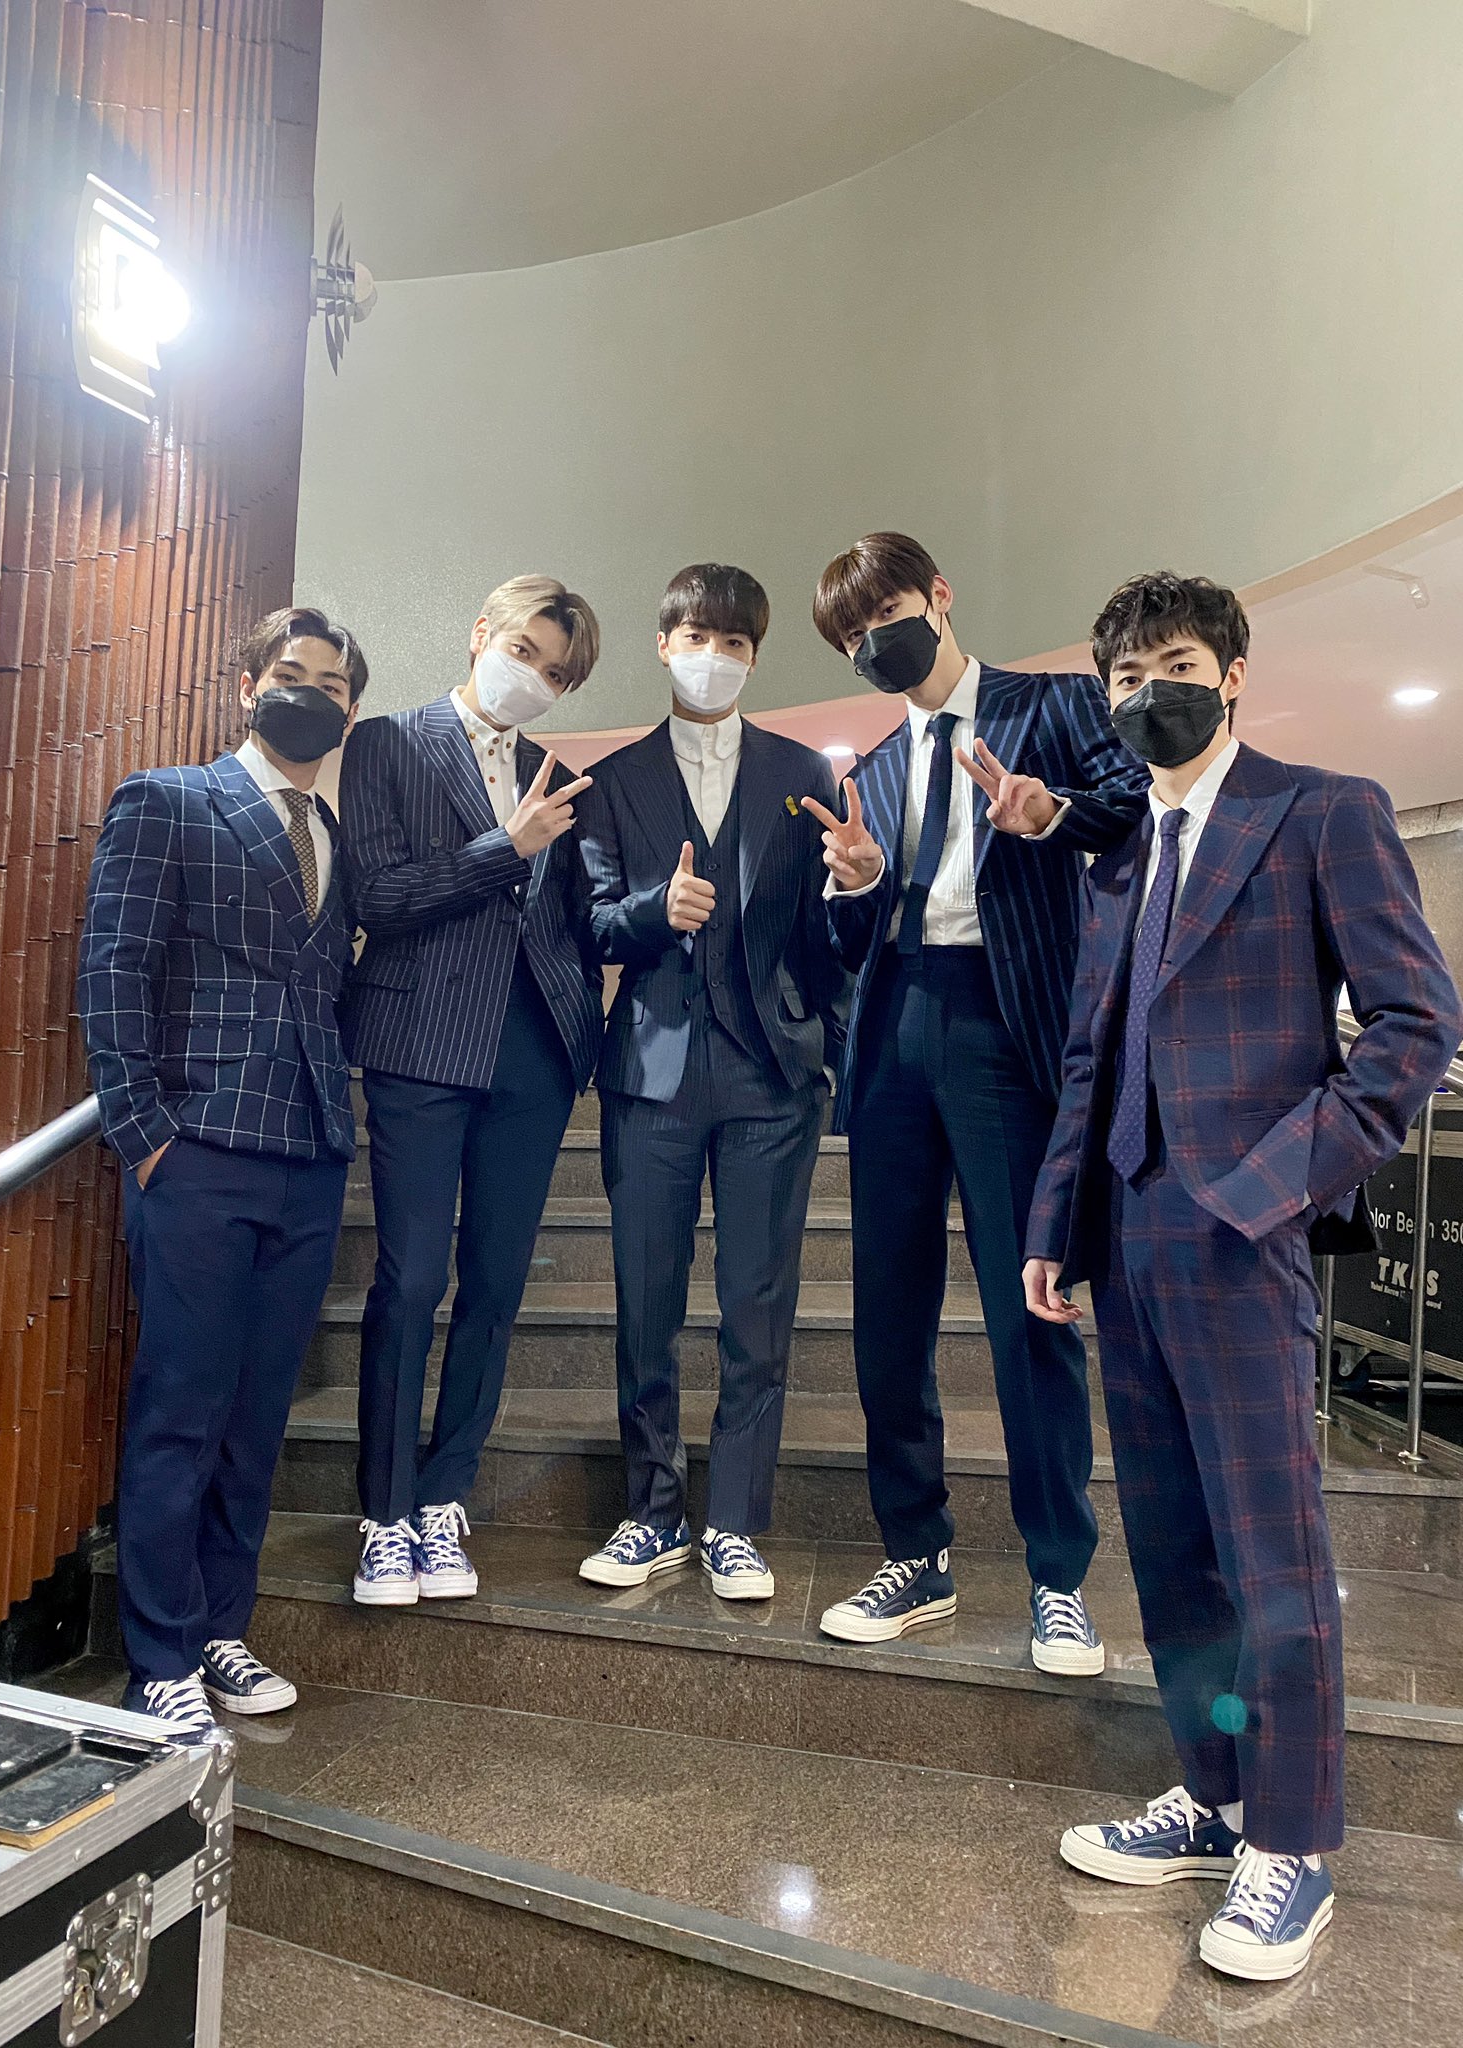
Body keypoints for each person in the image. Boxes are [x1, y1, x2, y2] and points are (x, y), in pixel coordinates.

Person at [1024, 571, 1462, 1981]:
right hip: (1129, 1235)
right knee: (1170, 1543)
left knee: (1273, 1550)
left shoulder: (1322, 812)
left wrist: (1270, 1189)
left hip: (1244, 1233)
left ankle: (1295, 1841)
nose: (1152, 690)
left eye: (1177, 663)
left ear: (1231, 676)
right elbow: (1091, 1060)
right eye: (1127, 675)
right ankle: (1214, 1794)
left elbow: (1414, 1027)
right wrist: (1054, 1221)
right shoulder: (1118, 860)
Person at [803, 532, 1150, 1657]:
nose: (873, 644)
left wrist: (1051, 815)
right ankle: (915, 1553)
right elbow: (854, 938)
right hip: (894, 1024)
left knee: (1027, 1305)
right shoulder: (871, 767)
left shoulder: (1053, 704)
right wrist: (855, 889)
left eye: (885, 616)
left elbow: (1137, 801)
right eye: (852, 638)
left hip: (1008, 1024)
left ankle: (1059, 1574)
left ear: (939, 596)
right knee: (888, 1309)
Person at [78, 605, 367, 1740]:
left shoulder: (335, 833)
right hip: (195, 1150)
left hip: (309, 1152)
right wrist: (144, 1132)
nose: (310, 694)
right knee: (182, 1409)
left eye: (332, 684)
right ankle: (158, 1656)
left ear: (350, 709)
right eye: (291, 673)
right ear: (248, 686)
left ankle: (218, 1630)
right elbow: (114, 968)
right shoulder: (170, 799)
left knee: (256, 1418)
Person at [576, 564, 849, 1598]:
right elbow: (591, 922)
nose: (715, 655)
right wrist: (653, 912)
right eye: (698, 635)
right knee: (647, 1303)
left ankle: (734, 1519)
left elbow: (824, 932)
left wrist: (828, 1035)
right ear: (664, 643)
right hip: (652, 1068)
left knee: (757, 1304)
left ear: (754, 656)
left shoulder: (802, 773)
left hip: (771, 1074)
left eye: (735, 641)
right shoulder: (613, 778)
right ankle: (652, 1513)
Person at [339, 575, 604, 1605]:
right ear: (482, 632)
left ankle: (445, 1499)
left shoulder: (555, 775)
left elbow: (570, 921)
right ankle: (385, 1513)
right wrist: (506, 847)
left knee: (495, 1285)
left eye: (557, 673)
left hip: (530, 1054)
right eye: (525, 651)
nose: (534, 677)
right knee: (410, 1280)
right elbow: (378, 896)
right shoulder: (388, 744)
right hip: (418, 1042)